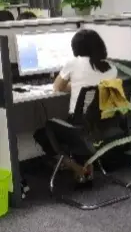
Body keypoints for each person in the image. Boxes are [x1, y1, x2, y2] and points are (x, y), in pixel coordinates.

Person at [33, 29, 118, 185]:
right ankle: (88, 164)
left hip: (79, 126)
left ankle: (77, 168)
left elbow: (57, 87)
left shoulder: (73, 63)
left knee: (42, 133)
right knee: (82, 132)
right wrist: (79, 85)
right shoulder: (111, 66)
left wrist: (76, 85)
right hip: (104, 124)